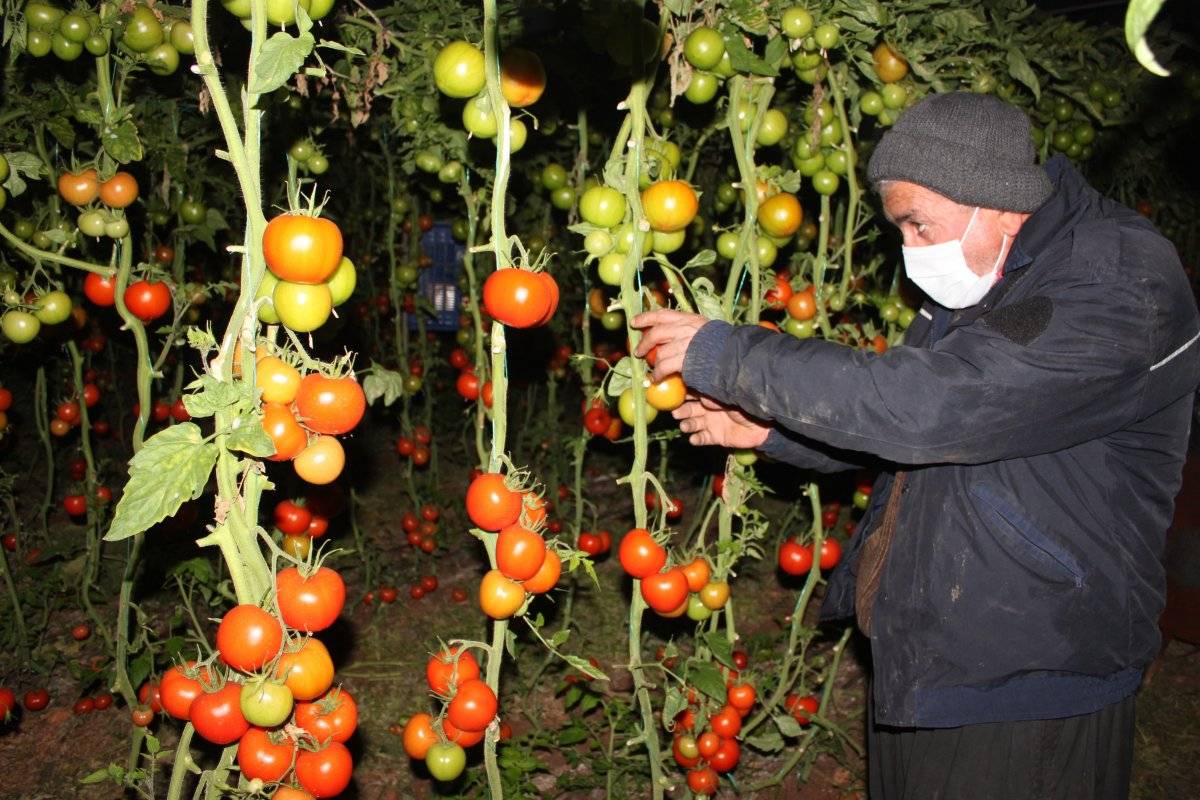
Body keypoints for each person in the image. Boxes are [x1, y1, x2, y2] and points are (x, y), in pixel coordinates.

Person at [632, 92, 1200, 799]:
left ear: (992, 200)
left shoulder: (1116, 281)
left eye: (918, 223)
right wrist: (775, 430)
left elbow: (939, 404)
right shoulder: (995, 275)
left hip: (1029, 680)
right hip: (938, 659)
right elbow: (917, 429)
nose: (911, 251)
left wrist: (733, 357)